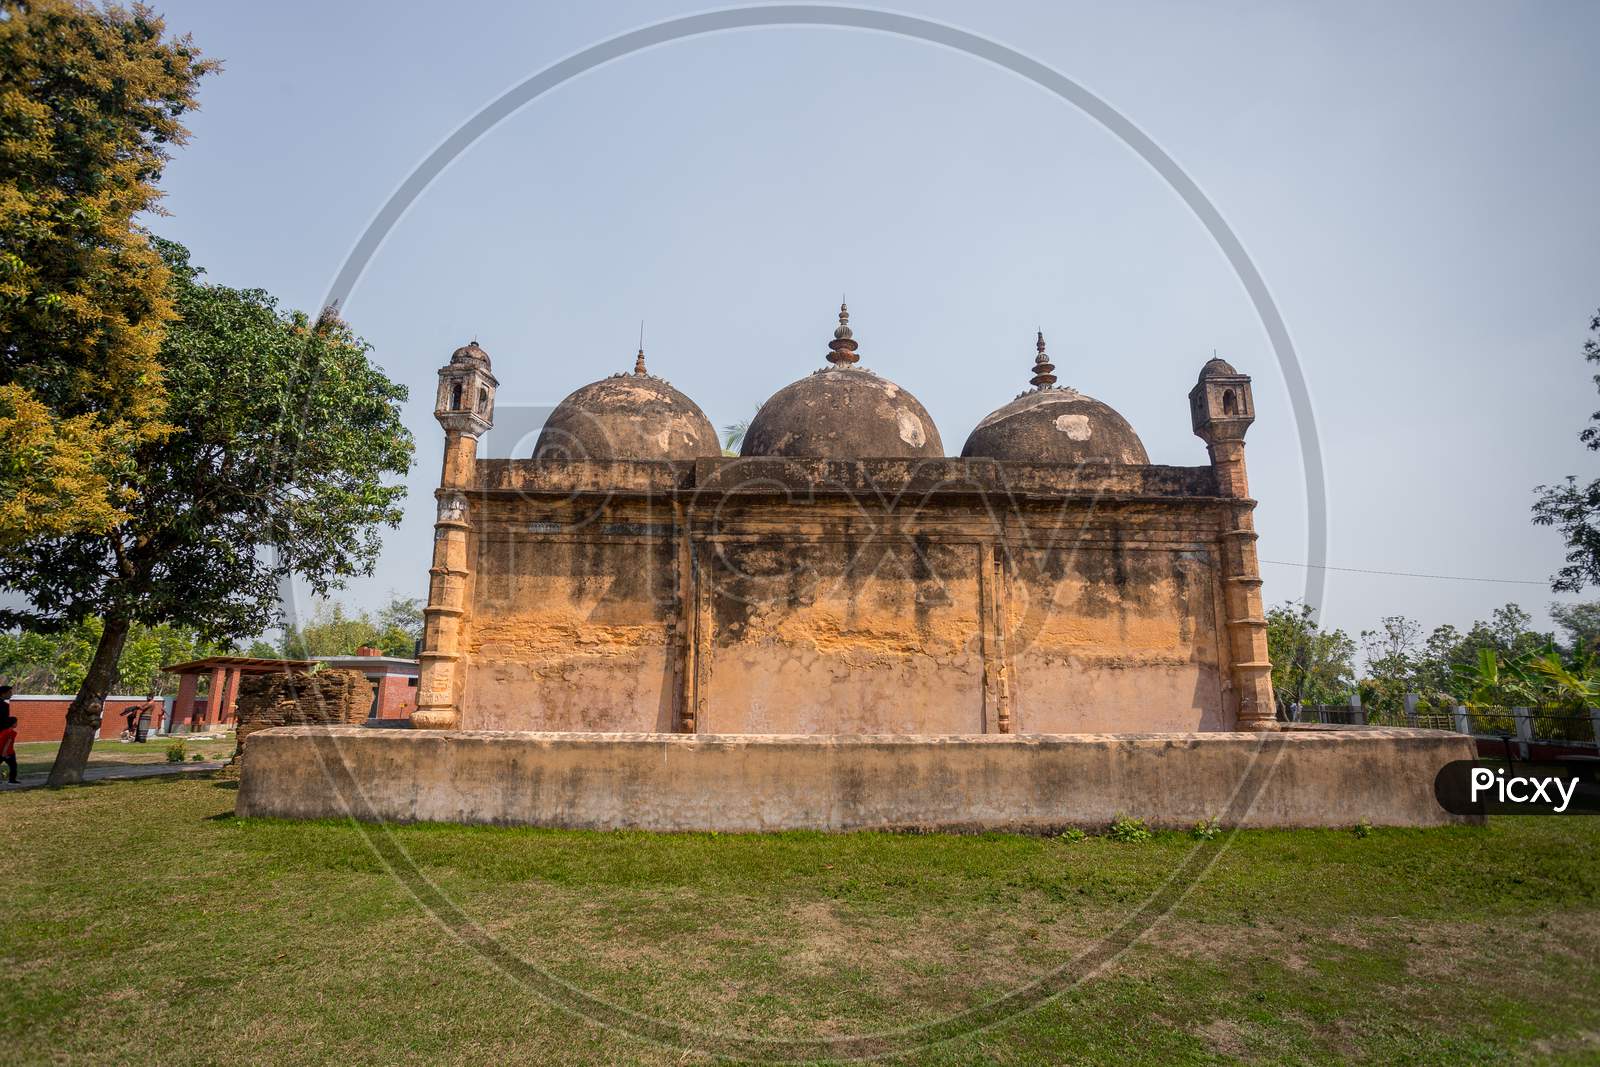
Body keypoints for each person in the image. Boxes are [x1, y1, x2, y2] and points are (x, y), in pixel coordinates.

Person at [0, 713, 17, 785]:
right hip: (8, 753)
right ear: (12, 724)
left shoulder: (3, 731)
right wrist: (4, 754)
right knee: (13, 766)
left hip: (3, 751)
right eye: (16, 723)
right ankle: (12, 781)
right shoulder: (11, 732)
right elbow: (8, 743)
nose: (16, 724)